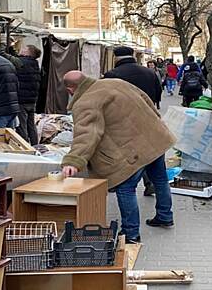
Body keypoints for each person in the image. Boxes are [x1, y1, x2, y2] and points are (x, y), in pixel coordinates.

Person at [60, 71, 176, 243]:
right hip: (153, 139)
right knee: (160, 179)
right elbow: (147, 100)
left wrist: (73, 160)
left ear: (70, 89)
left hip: (129, 152)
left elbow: (88, 133)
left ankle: (131, 234)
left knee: (126, 189)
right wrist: (157, 123)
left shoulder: (85, 102)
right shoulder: (116, 82)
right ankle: (165, 216)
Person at [104, 47, 164, 197]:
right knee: (154, 161)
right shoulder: (150, 72)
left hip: (124, 124)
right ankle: (162, 210)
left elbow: (104, 99)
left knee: (132, 159)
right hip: (150, 120)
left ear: (116, 58)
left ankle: (121, 182)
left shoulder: (112, 75)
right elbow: (158, 93)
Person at [14, 45, 42, 145]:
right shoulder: (34, 63)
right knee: (31, 124)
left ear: (27, 53)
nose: (20, 49)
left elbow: (9, 58)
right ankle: (35, 144)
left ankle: (25, 146)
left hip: (22, 99)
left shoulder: (22, 62)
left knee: (22, 126)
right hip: (32, 100)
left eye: (23, 48)